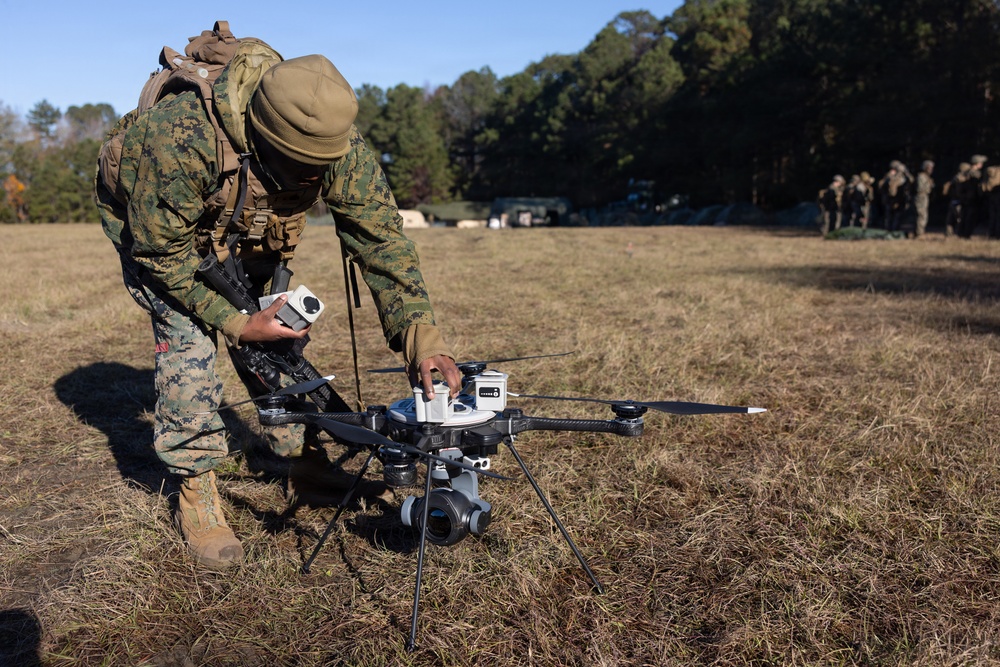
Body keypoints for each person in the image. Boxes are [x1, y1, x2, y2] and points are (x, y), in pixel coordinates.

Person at [94, 28, 462, 569]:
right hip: (162, 237)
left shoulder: (336, 140)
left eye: (320, 169)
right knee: (190, 341)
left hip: (249, 224)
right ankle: (197, 490)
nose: (316, 179)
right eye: (301, 168)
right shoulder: (179, 137)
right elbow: (161, 254)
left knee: (278, 336)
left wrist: (421, 340)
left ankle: (306, 462)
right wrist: (235, 323)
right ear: (264, 138)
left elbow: (381, 238)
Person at [878, 160, 913, 232]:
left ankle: (893, 229)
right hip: (892, 199)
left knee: (895, 216)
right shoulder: (891, 176)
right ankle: (891, 230)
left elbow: (911, 182)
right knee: (892, 216)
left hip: (898, 199)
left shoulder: (901, 176)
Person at [942, 162, 970, 238]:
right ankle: (959, 233)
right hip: (958, 201)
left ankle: (948, 234)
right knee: (959, 218)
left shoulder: (955, 178)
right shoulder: (961, 178)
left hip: (953, 201)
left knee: (950, 219)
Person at [914, 160, 935, 238]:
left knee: (923, 215)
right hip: (921, 197)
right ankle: (919, 233)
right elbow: (920, 188)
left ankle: (920, 232)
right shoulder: (921, 176)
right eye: (929, 168)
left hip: (924, 197)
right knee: (921, 215)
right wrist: (929, 187)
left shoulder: (926, 177)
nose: (931, 170)